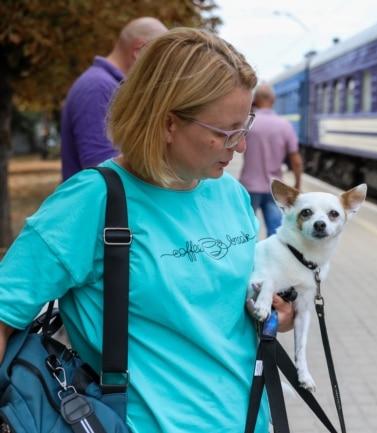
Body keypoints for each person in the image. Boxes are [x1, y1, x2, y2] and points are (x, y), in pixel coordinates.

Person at [0, 28, 294, 433]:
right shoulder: (90, 203)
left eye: (245, 127)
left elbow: (216, 306)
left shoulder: (232, 196)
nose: (240, 146)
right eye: (226, 133)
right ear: (168, 122)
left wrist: (270, 309)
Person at [60, 17, 168, 181]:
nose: (160, 69)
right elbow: (102, 166)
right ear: (139, 50)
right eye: (159, 59)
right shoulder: (98, 87)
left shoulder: (108, 86)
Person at [239, 83, 303, 236]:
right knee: (275, 232)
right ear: (273, 100)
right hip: (275, 188)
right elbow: (296, 160)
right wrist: (297, 184)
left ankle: (249, 259)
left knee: (245, 232)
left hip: (249, 186)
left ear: (255, 99)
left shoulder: (248, 122)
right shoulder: (285, 125)